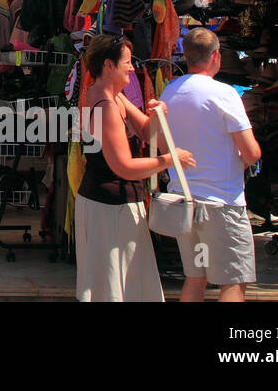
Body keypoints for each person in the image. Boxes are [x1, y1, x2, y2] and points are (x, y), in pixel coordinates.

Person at [77, 34, 195, 302]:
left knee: (120, 286)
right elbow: (124, 167)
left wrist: (158, 114)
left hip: (109, 204)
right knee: (113, 288)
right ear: (109, 65)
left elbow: (145, 130)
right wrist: (169, 160)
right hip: (108, 208)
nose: (132, 68)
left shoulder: (109, 96)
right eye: (128, 62)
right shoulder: (105, 105)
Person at [159, 27, 262, 302]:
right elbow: (251, 152)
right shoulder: (224, 93)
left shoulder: (169, 92)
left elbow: (161, 146)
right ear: (216, 55)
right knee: (232, 281)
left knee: (196, 276)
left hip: (185, 203)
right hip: (222, 204)